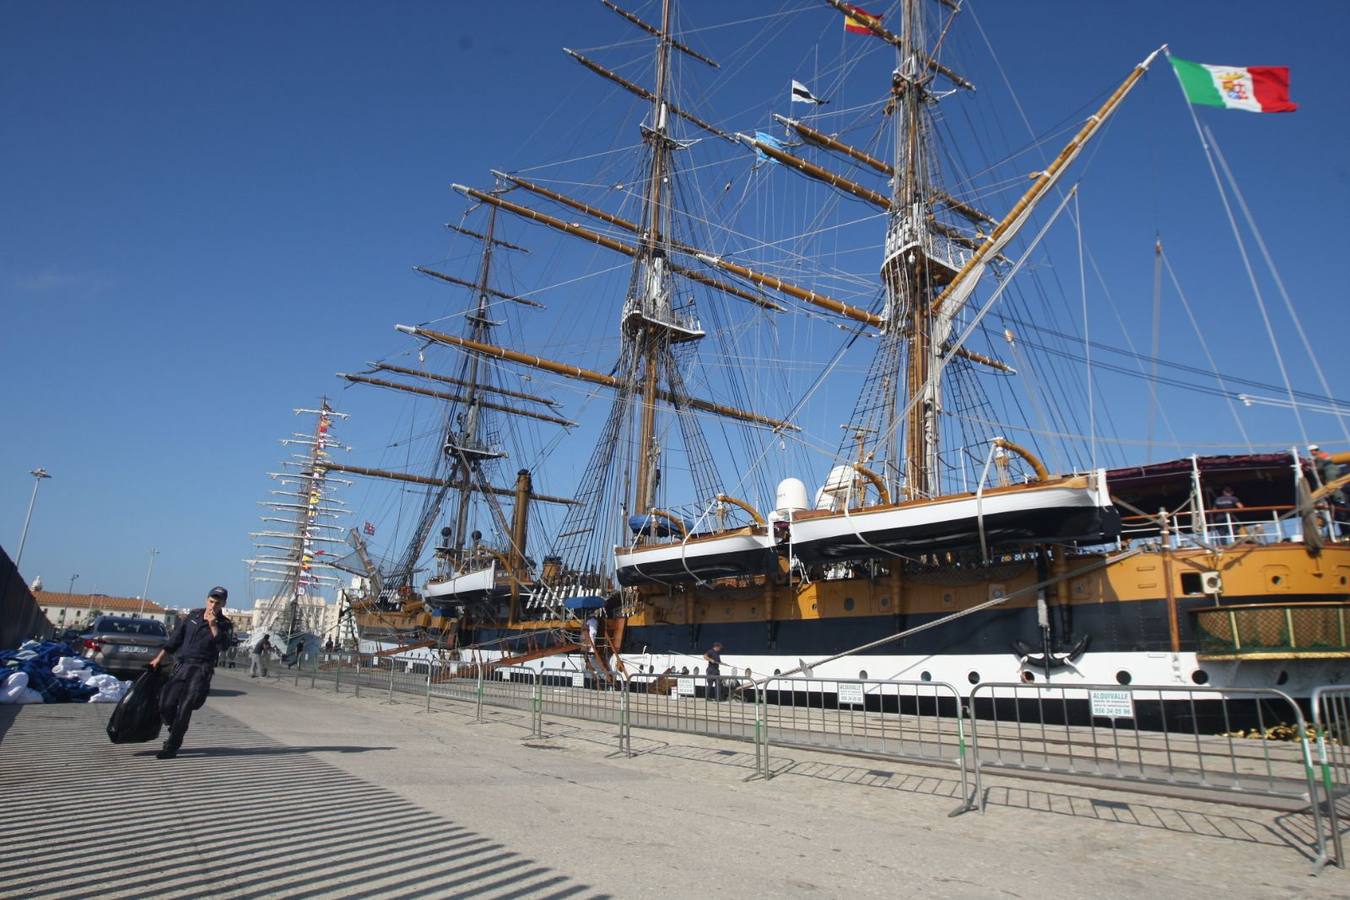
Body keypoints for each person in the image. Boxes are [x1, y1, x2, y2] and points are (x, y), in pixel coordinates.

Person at [147, 586, 234, 760]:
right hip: (182, 665)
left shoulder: (224, 624)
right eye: (211, 601)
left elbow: (223, 646)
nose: (213, 605)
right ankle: (176, 728)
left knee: (186, 707)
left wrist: (213, 624)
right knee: (166, 703)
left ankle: (172, 745)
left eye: (217, 603)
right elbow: (175, 640)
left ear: (223, 603)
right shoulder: (193, 616)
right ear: (206, 600)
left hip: (201, 669)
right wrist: (158, 659)